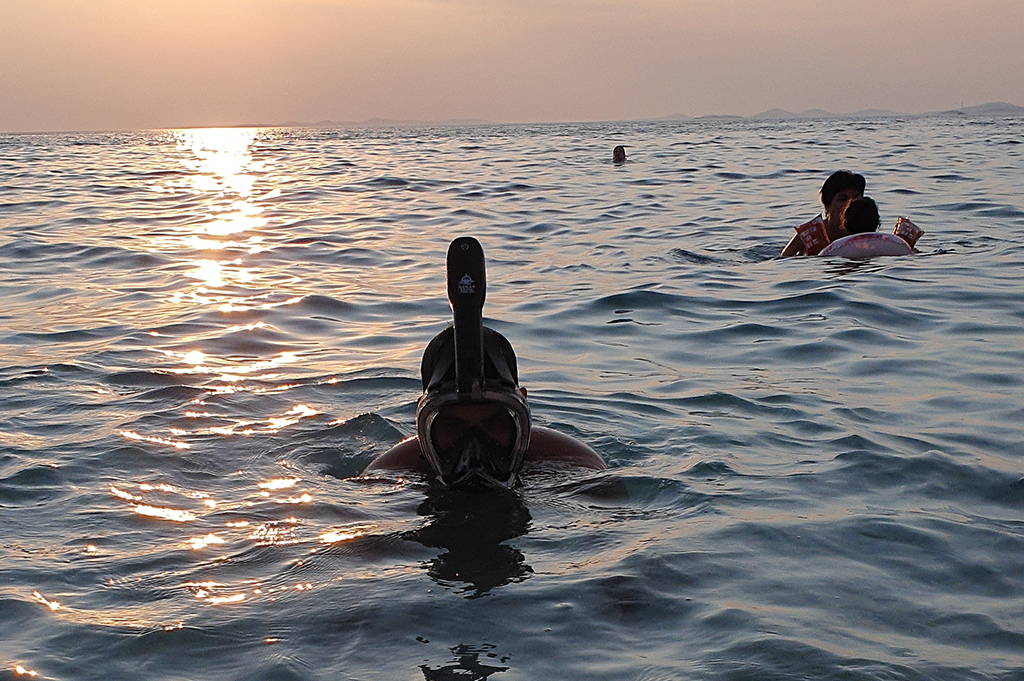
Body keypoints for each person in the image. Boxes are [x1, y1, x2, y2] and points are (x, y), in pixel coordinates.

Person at [364, 236, 605, 487]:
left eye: (493, 424)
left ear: (521, 415)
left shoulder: (570, 462)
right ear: (424, 432)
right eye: (452, 428)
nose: (474, 452)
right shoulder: (392, 473)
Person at [780, 170, 866, 257]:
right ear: (827, 205)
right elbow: (784, 258)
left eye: (856, 198)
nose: (850, 204)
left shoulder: (864, 227)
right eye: (843, 199)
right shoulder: (810, 233)